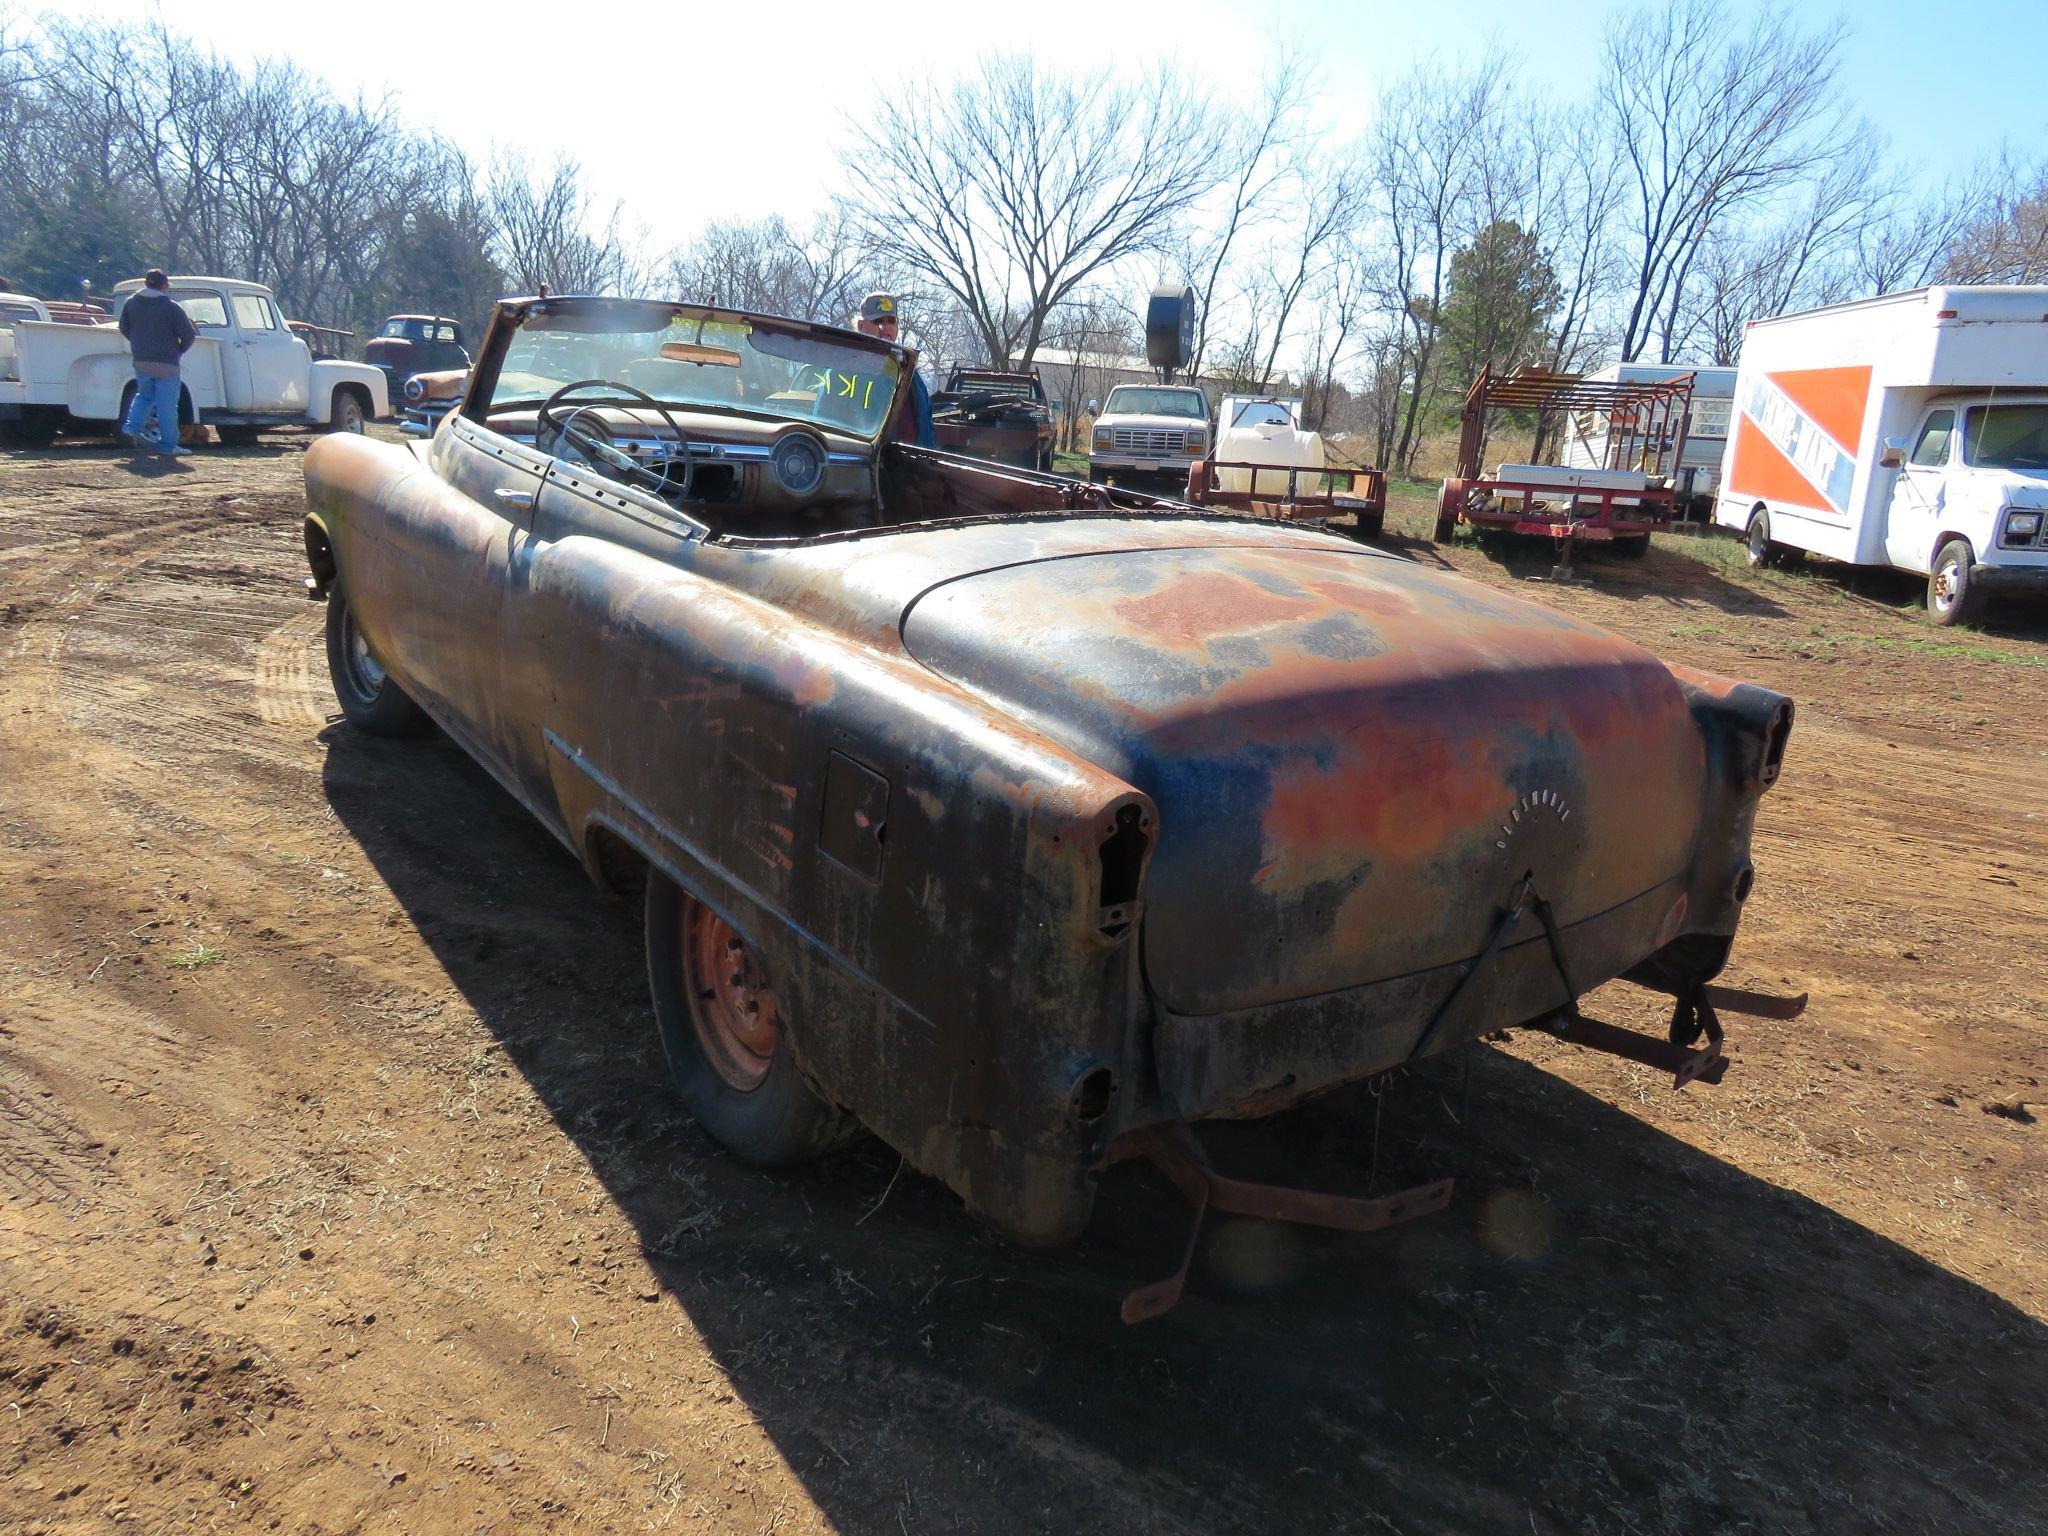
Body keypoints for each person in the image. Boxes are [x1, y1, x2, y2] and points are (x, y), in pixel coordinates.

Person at [117, 269, 197, 456]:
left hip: (141, 360)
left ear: (146, 284)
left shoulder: (131, 304)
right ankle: (168, 445)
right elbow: (188, 335)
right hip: (167, 363)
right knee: (167, 406)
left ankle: (132, 427)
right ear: (165, 285)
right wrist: (178, 350)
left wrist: (138, 343)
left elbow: (124, 328)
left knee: (144, 396)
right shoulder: (171, 307)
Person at [852, 292, 934, 448]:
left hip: (908, 467)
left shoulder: (911, 373)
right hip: (864, 465)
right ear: (861, 326)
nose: (885, 328)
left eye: (891, 321)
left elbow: (927, 427)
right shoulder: (844, 369)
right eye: (878, 321)